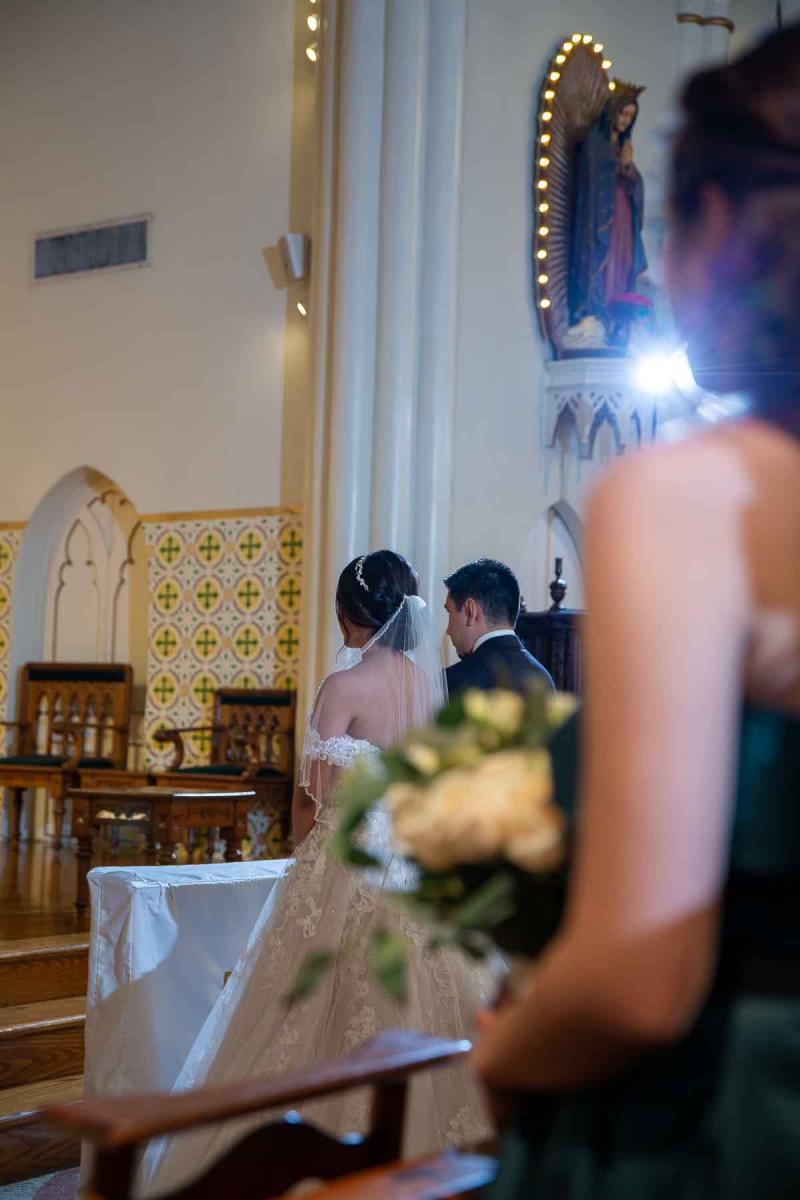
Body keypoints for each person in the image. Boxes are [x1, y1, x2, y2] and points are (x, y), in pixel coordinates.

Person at [475, 25, 800, 1198]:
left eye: (665, 218)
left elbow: (635, 977)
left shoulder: (691, 496)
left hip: (724, 1121)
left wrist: (502, 1054)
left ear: (717, 220)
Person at [141, 551, 490, 1195]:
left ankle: (300, 1154)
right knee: (411, 999)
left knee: (312, 1004)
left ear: (350, 614)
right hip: (412, 863)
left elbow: (312, 796)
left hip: (346, 858)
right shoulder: (425, 685)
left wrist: (305, 856)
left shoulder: (342, 687)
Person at [568, 84, 647, 340]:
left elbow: (635, 184)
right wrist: (620, 166)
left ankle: (615, 316)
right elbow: (593, 176)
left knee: (622, 260)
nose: (625, 121)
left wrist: (628, 167)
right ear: (612, 111)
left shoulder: (621, 148)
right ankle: (594, 311)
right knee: (603, 259)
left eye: (631, 117)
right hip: (601, 217)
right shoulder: (596, 143)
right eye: (623, 113)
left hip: (622, 215)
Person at [443, 559, 554, 696]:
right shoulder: (543, 679)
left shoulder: (451, 682)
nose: (448, 631)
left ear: (470, 611)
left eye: (450, 613)